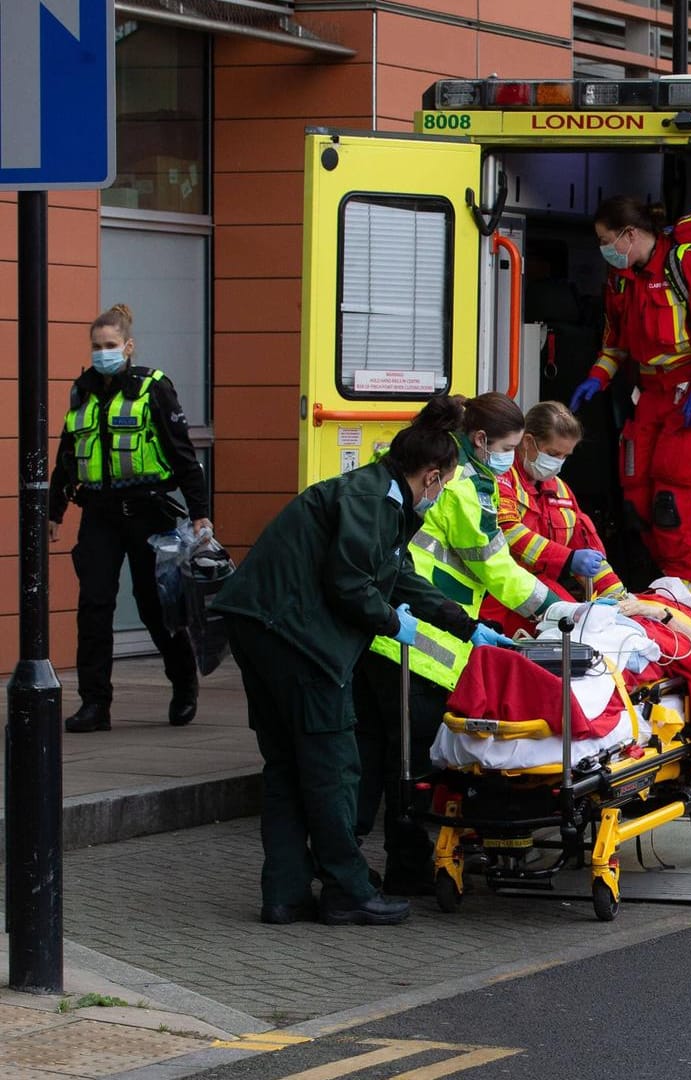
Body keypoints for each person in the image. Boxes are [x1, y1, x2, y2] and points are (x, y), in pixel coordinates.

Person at [210, 398, 493, 926]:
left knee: (288, 766)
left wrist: (464, 625)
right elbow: (353, 587)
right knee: (333, 765)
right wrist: (393, 623)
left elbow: (399, 576)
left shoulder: (377, 494)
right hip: (295, 640)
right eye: (444, 484)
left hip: (265, 630)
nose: (440, 494)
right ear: (432, 476)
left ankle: (286, 894)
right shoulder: (374, 501)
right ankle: (347, 889)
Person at [354, 392, 562, 895]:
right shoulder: (465, 484)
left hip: (381, 634)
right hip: (421, 644)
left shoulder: (414, 461)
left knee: (368, 760)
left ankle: (347, 861)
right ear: (480, 440)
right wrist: (559, 610)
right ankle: (405, 871)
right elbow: (497, 570)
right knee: (414, 770)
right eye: (509, 447)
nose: (512, 459)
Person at [49, 304, 212, 734]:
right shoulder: (81, 391)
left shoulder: (153, 389)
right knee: (94, 607)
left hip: (148, 512)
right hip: (100, 513)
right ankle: (94, 704)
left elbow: (182, 453)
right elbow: (68, 456)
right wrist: (54, 511)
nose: (103, 353)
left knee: (154, 605)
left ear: (128, 346)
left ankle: (183, 684)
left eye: (110, 345)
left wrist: (200, 514)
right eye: (97, 346)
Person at [568, 196, 691, 600]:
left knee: (671, 501)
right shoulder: (619, 277)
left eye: (607, 240)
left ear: (629, 234)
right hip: (650, 395)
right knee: (638, 498)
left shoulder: (684, 263)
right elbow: (616, 346)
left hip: (690, 393)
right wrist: (596, 378)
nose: (604, 248)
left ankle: (689, 599)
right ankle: (669, 586)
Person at [486, 401, 627, 636]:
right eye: (552, 453)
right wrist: (568, 559)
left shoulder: (560, 490)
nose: (558, 462)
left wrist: (619, 598)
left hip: (541, 591)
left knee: (594, 626)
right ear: (528, 442)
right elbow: (509, 533)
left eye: (564, 456)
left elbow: (586, 547)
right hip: (501, 594)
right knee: (575, 630)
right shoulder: (501, 478)